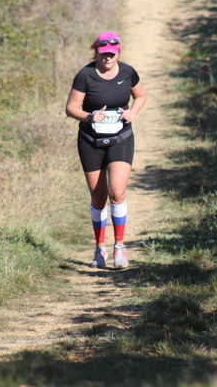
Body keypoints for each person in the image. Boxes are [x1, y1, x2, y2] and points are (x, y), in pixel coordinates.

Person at [65, 31, 147, 269]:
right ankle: (99, 249)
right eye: (103, 54)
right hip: (91, 140)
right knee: (98, 198)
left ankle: (120, 247)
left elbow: (140, 95)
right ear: (96, 52)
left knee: (117, 192)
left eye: (111, 54)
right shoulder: (86, 75)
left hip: (121, 138)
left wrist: (132, 112)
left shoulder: (128, 72)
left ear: (118, 52)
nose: (107, 59)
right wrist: (90, 116)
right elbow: (71, 108)